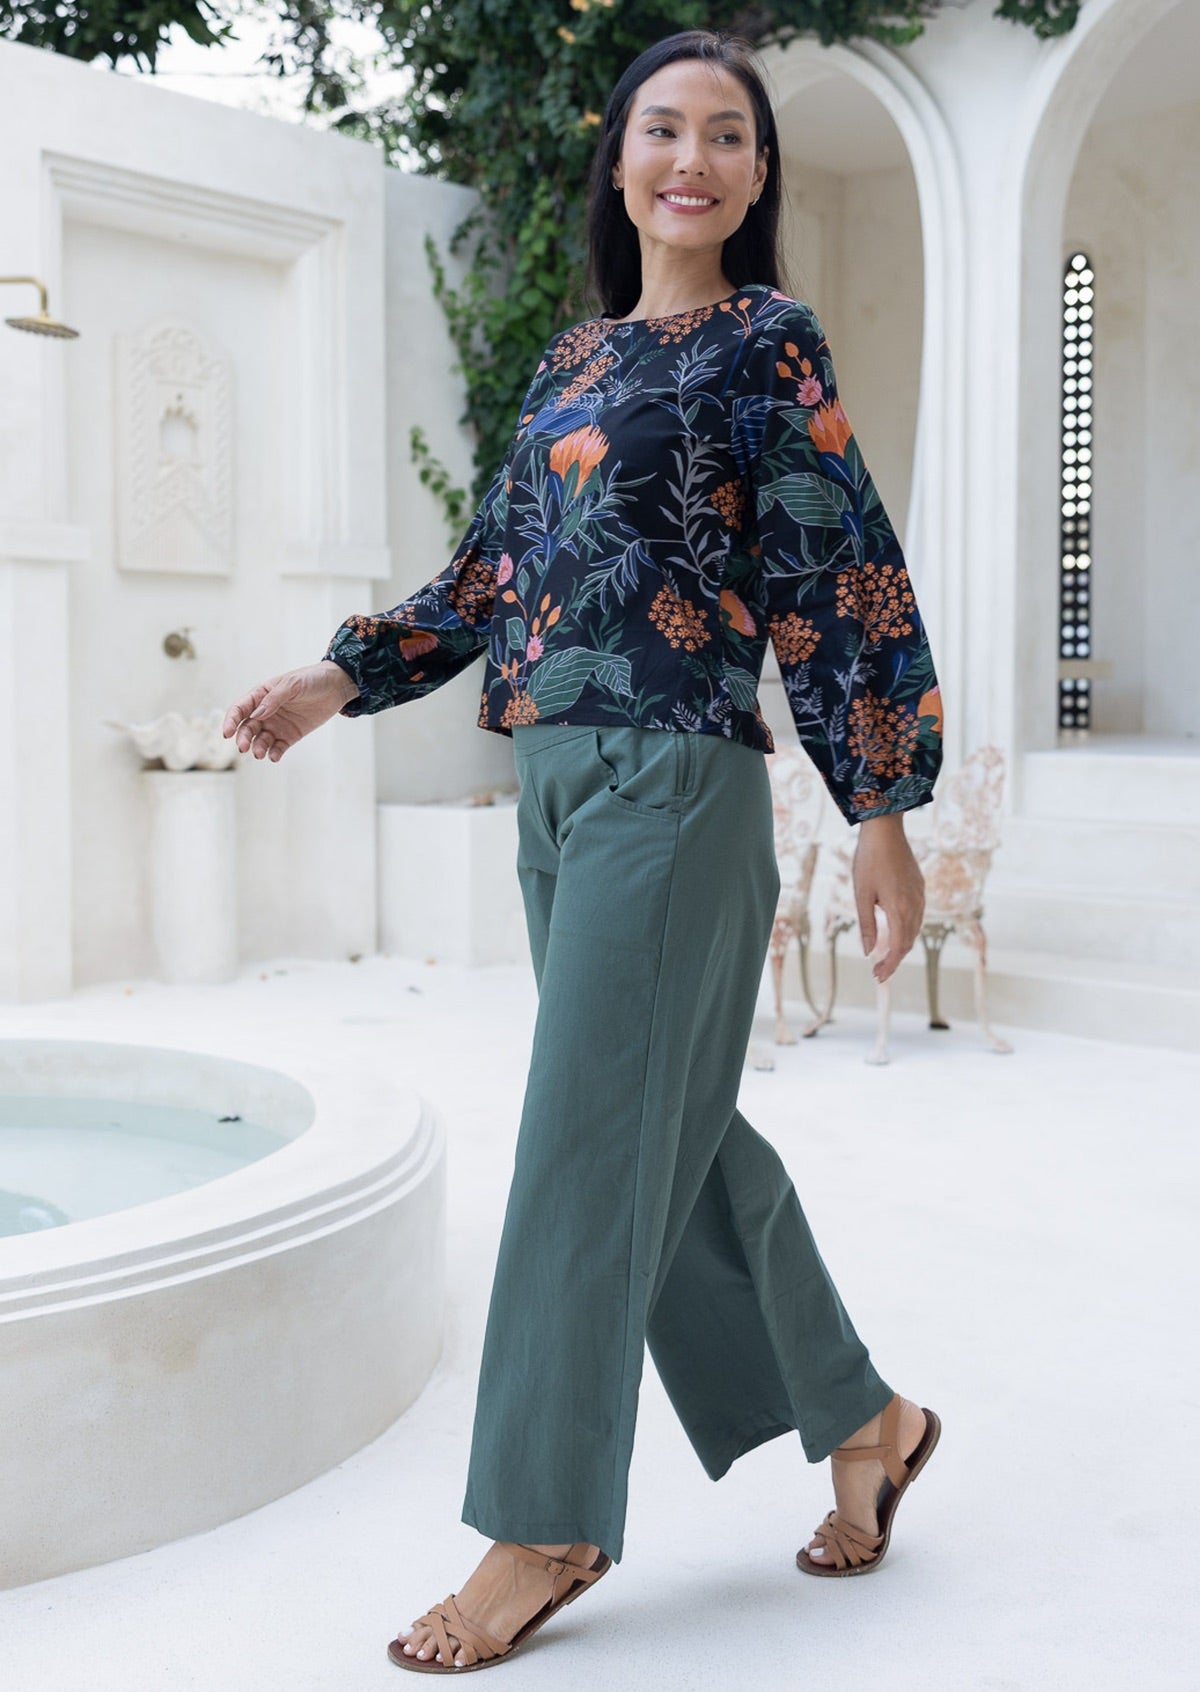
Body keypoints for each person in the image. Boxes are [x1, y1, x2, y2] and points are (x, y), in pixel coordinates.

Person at [223, 28, 945, 1675]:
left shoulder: (769, 342)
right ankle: (873, 1420)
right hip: (554, 785)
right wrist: (343, 674)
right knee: (668, 1149)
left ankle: (542, 1524)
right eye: (663, 129)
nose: (692, 157)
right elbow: (490, 576)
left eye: (728, 136)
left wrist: (882, 815)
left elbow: (843, 574)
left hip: (679, 785)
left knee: (579, 1151)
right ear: (621, 162)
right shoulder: (564, 365)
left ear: (756, 176)